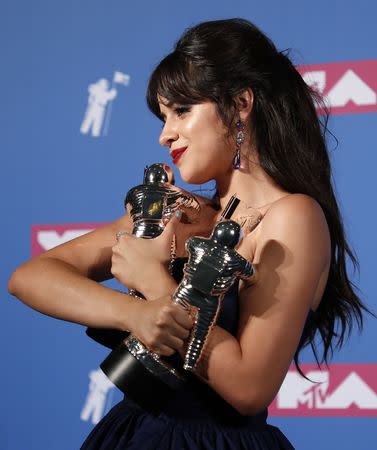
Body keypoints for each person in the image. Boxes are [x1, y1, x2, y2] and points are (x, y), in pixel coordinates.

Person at [8, 18, 370, 450]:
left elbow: (249, 387)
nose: (165, 134)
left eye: (182, 110)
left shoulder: (294, 217)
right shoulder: (179, 213)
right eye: (163, 116)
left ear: (240, 104)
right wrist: (137, 316)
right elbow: (30, 277)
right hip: (131, 435)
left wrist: (155, 287)